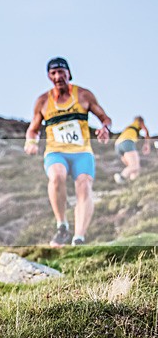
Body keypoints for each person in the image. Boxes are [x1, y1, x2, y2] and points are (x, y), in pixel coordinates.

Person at [24, 57, 112, 246]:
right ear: (49, 76)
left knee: (84, 186)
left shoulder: (83, 95)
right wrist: (31, 142)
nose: (58, 77)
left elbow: (105, 118)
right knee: (57, 175)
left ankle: (79, 237)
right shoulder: (42, 102)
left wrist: (105, 129)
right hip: (56, 151)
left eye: (61, 72)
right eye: (53, 73)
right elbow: (33, 128)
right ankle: (62, 226)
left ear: (69, 74)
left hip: (82, 152)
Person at [114, 116, 151, 183]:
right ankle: (121, 177)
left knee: (132, 167)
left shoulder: (129, 127)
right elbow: (146, 131)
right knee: (135, 165)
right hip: (127, 143)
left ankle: (133, 183)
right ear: (141, 121)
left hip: (117, 145)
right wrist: (147, 144)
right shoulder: (138, 122)